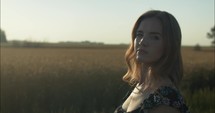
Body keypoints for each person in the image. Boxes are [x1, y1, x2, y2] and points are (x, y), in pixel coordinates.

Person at [114, 10, 190, 113]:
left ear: (169, 45)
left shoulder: (165, 100)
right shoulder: (141, 85)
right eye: (139, 34)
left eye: (155, 37)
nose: (142, 42)